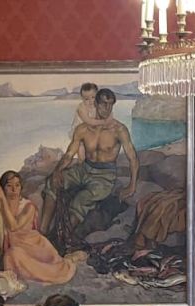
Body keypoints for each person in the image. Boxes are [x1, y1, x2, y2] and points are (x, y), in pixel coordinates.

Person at [40, 87, 139, 242]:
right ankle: (42, 231)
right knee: (52, 182)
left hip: (104, 176)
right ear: (96, 104)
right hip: (84, 169)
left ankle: (60, 238)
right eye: (104, 103)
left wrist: (132, 186)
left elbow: (132, 158)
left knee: (81, 199)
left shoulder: (119, 130)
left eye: (110, 104)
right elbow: (69, 154)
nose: (107, 108)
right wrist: (58, 170)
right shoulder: (83, 129)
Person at [0, 170, 80, 286]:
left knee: (14, 254)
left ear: (21, 187)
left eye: (17, 185)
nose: (14, 189)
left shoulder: (28, 206)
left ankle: (68, 261)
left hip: (34, 245)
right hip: (17, 246)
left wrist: (2, 199)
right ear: (3, 188)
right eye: (9, 186)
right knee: (12, 254)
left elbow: (13, 227)